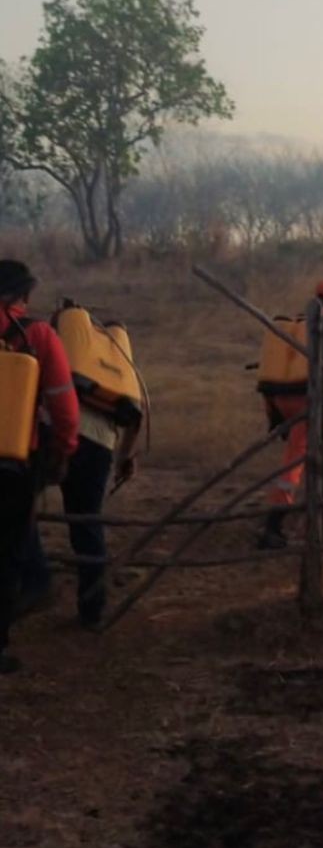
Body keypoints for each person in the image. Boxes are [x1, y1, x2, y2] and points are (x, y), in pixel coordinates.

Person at [14, 316, 138, 630]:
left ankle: (35, 579)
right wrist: (126, 458)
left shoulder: (64, 345)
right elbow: (134, 417)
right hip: (100, 447)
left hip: (54, 433)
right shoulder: (122, 364)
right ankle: (92, 610)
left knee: (19, 506)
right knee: (87, 522)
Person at [0, 260, 79, 674]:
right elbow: (64, 405)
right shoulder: (39, 336)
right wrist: (63, 451)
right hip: (13, 462)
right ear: (20, 296)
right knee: (7, 553)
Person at [258, 277, 323, 549]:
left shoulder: (296, 325)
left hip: (279, 397)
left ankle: (304, 507)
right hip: (307, 399)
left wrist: (273, 412)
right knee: (294, 462)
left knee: (303, 453)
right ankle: (273, 526)